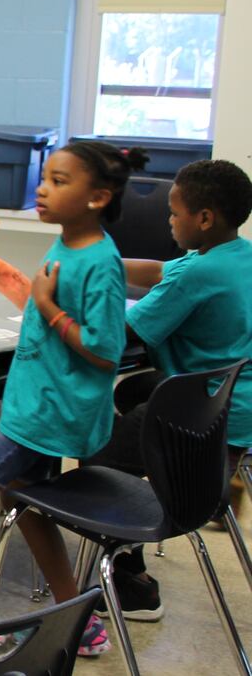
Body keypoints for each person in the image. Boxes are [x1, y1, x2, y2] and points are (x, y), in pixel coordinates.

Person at [0, 142, 146, 658]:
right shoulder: (66, 245)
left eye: (58, 180)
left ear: (97, 197)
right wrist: (0, 272)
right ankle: (80, 622)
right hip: (38, 401)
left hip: (51, 412)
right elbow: (42, 302)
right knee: (24, 505)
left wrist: (50, 307)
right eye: (45, 177)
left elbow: (102, 348)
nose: (43, 188)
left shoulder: (100, 261)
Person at [82, 158, 252, 621]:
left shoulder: (199, 275)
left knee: (95, 451)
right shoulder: (235, 255)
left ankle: (132, 585)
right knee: (132, 393)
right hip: (235, 403)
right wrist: (104, 266)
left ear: (203, 218)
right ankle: (159, 491)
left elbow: (118, 335)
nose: (168, 220)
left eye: (174, 213)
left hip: (204, 421)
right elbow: (162, 273)